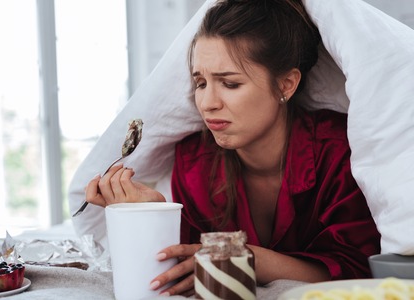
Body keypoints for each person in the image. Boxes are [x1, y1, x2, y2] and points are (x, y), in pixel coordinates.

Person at [85, 0, 381, 296]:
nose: (208, 103)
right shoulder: (194, 162)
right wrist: (154, 214)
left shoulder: (340, 150)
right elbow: (184, 264)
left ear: (286, 85)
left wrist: (251, 259)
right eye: (200, 83)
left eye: (229, 83)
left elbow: (360, 270)